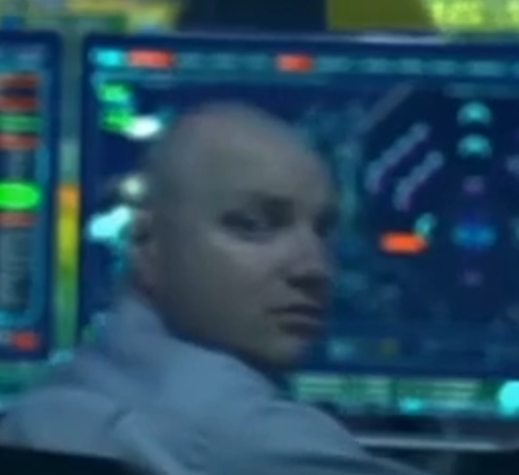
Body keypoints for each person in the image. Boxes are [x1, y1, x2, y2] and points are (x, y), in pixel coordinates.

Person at [0, 103, 428, 475]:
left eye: (323, 230)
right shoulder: (239, 436)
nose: (314, 267)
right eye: (253, 225)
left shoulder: (68, 390)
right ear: (147, 244)